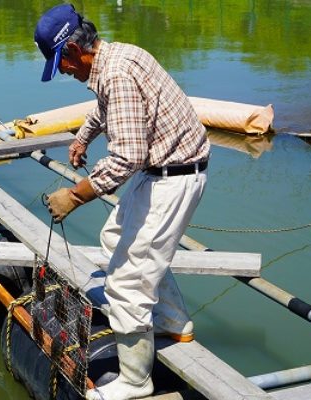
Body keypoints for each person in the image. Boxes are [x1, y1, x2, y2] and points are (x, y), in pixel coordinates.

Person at [35, 4, 210, 400]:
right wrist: (83, 138)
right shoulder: (116, 57)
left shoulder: (116, 73)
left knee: (127, 282)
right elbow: (105, 108)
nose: (62, 71)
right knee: (117, 240)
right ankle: (172, 321)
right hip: (162, 170)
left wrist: (75, 195)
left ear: (75, 51)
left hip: (173, 178)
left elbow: (128, 156)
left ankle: (135, 381)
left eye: (60, 63)